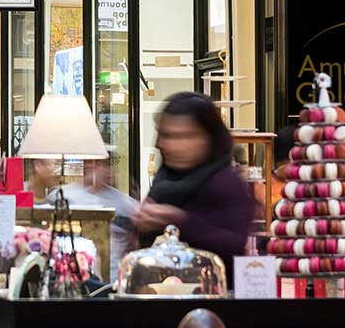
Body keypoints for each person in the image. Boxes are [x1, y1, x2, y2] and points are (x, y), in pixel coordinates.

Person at [133, 92, 259, 281]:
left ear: (208, 138)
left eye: (182, 136)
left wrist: (180, 220)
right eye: (165, 135)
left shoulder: (227, 184)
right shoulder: (166, 181)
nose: (167, 145)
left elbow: (233, 247)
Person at [56, 158, 139, 280]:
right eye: (89, 162)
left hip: (114, 279)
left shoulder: (124, 204)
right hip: (76, 277)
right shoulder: (65, 196)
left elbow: (136, 239)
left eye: (99, 163)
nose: (93, 167)